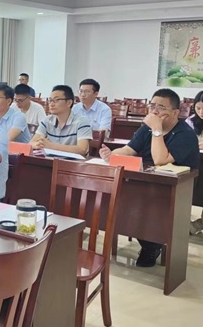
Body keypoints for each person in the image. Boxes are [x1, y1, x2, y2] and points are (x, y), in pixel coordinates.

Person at [99, 88, 199, 267]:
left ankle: (151, 244)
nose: (155, 111)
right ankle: (149, 241)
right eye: (152, 106)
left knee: (139, 203)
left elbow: (160, 160)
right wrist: (112, 154)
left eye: (161, 107)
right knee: (118, 200)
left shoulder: (185, 134)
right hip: (144, 181)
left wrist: (156, 129)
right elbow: (129, 150)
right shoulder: (147, 128)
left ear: (175, 113)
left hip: (172, 189)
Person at [30, 85, 92, 155]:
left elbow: (81, 149)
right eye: (50, 100)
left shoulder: (82, 122)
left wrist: (51, 146)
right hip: (51, 159)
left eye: (56, 100)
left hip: (73, 161)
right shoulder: (47, 120)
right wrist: (40, 144)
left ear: (69, 103)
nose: (51, 104)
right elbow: (31, 143)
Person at [182, 90, 203, 234]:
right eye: (198, 108)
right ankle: (184, 222)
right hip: (195, 160)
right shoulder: (190, 121)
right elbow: (187, 142)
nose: (201, 112)